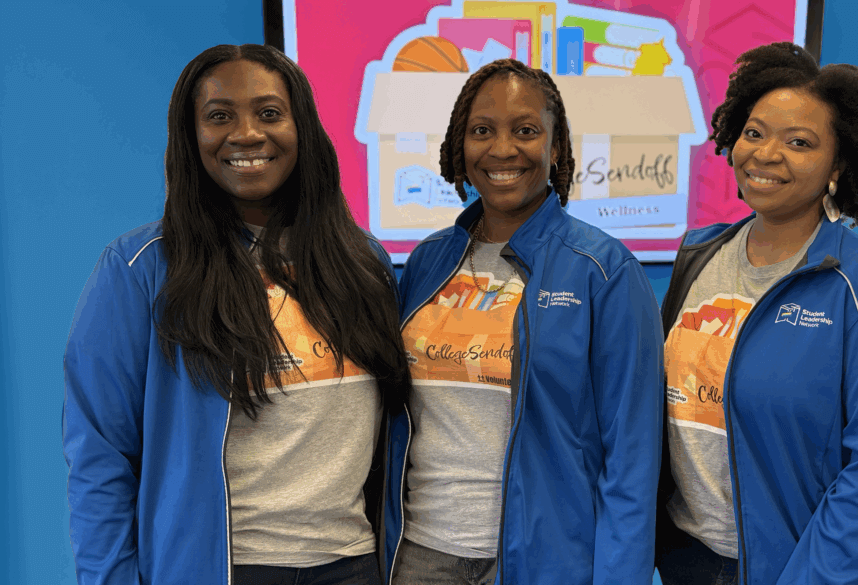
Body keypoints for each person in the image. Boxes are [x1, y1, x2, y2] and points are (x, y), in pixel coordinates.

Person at [63, 44, 410, 585]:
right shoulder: (140, 269)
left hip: (353, 567)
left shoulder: (361, 264)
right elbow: (100, 457)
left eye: (270, 113)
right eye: (219, 116)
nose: (247, 134)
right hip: (220, 571)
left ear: (303, 129)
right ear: (191, 135)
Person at [654, 42, 858, 585]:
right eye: (755, 133)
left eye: (800, 142)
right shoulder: (699, 256)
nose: (764, 154)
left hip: (811, 568)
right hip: (690, 557)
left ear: (839, 163)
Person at [381, 59, 664, 585]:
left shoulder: (603, 270)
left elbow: (633, 456)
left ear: (554, 148)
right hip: (419, 556)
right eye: (482, 130)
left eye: (526, 131)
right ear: (459, 146)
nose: (502, 149)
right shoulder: (427, 263)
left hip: (545, 562)